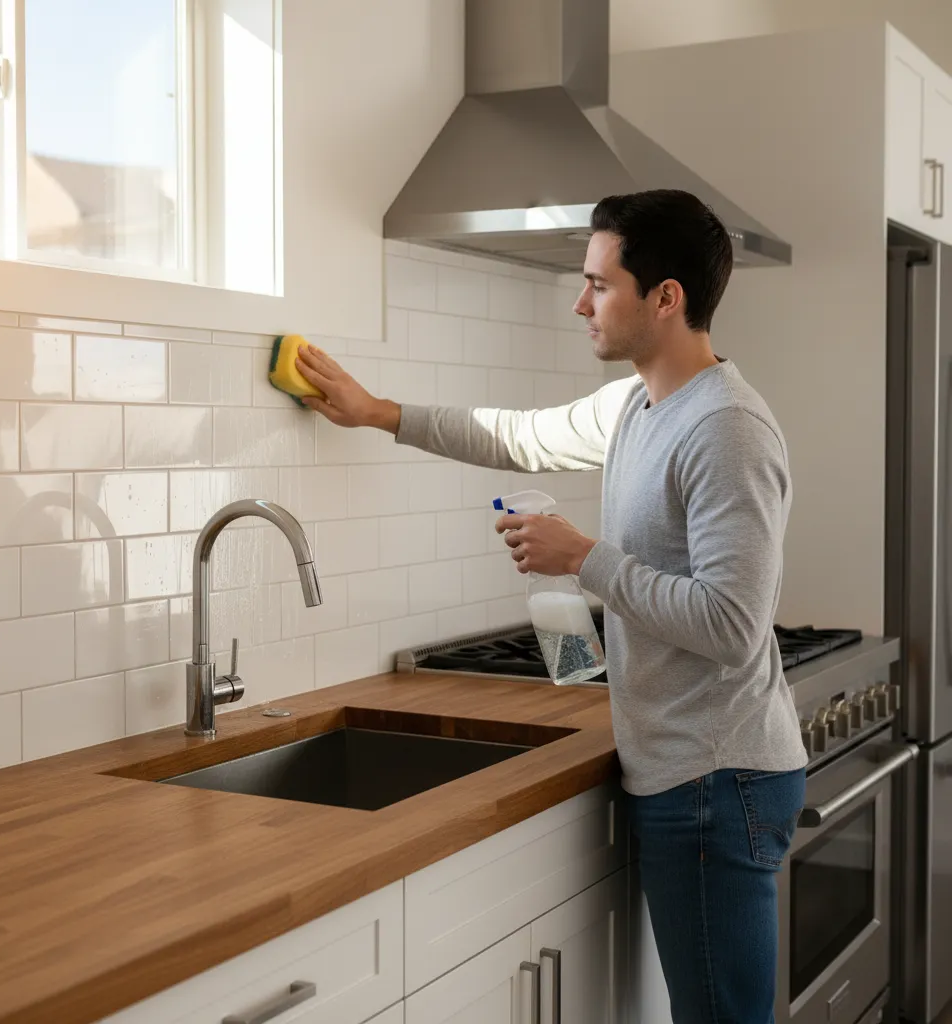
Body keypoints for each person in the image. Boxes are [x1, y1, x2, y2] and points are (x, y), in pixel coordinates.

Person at [295, 188, 808, 1024]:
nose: (580, 303)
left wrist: (584, 557)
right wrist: (377, 413)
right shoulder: (636, 406)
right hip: (685, 772)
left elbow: (732, 624)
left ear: (665, 297)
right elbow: (516, 435)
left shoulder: (726, 429)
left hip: (717, 780)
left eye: (600, 284)